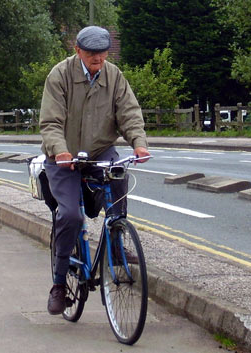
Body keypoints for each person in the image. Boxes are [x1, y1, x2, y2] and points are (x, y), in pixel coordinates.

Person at [39, 26, 150, 315]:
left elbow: (129, 113)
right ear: (77, 51)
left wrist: (139, 144)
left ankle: (115, 241)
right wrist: (60, 150)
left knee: (119, 176)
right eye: (91, 55)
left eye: (102, 55)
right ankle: (59, 284)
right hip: (63, 158)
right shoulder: (59, 75)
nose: (98, 61)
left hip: (100, 152)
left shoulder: (114, 76)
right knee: (71, 216)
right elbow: (50, 121)